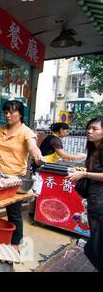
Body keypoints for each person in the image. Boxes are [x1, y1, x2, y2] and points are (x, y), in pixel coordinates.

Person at [0, 100, 44, 251]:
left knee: (14, 213)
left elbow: (33, 148)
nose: (8, 115)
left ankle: (15, 245)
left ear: (20, 114)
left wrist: (38, 157)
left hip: (14, 180)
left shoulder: (26, 132)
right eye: (5, 112)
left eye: (12, 112)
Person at [67, 116, 103, 271]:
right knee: (96, 241)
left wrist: (85, 175)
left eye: (94, 129)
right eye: (89, 128)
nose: (89, 131)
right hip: (95, 201)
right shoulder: (94, 149)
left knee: (97, 245)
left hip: (101, 204)